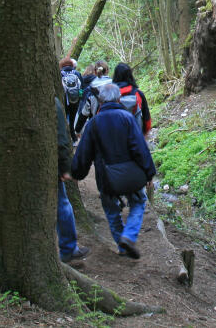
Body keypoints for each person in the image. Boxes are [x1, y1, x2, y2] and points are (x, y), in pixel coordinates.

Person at [71, 83, 155, 259]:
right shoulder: (127, 118)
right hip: (132, 176)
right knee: (138, 203)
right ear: (119, 99)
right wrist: (149, 173)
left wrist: (77, 173)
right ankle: (129, 236)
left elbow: (84, 153)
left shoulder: (93, 124)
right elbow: (140, 148)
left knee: (111, 211)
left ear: (100, 101)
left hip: (106, 178)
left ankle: (122, 245)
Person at [55, 95, 89, 264]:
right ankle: (69, 248)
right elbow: (61, 138)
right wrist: (65, 166)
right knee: (62, 204)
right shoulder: (51, 102)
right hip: (48, 164)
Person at [112, 62, 151, 139]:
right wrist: (145, 133)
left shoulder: (110, 95)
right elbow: (146, 117)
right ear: (130, 75)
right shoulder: (138, 94)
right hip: (136, 137)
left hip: (115, 139)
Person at [74, 60, 111, 137]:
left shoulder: (91, 88)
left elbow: (84, 113)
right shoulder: (115, 86)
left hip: (96, 127)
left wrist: (78, 129)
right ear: (107, 70)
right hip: (112, 126)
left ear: (95, 71)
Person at [59, 57, 83, 142]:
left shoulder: (60, 73)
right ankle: (74, 138)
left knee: (64, 118)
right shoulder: (77, 73)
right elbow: (81, 89)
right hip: (75, 100)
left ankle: (64, 138)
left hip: (64, 100)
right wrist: (79, 98)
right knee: (72, 120)